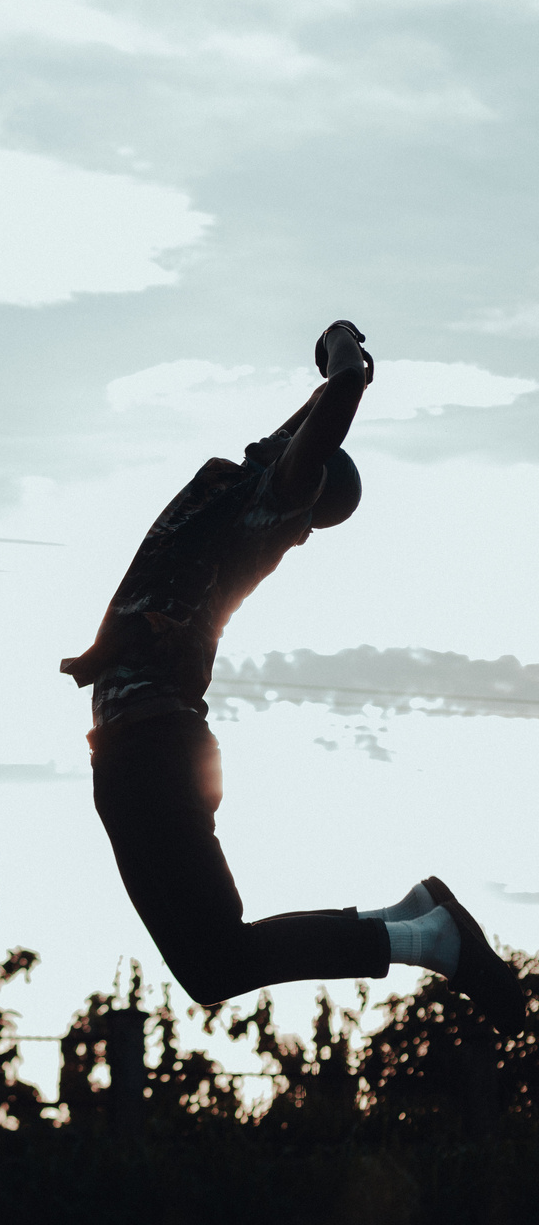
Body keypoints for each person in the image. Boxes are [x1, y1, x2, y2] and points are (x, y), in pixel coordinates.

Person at [60, 322, 524, 1033]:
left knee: (219, 958)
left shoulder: (268, 506)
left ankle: (428, 939)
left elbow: (339, 392)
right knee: (206, 968)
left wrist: (343, 347)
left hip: (155, 747)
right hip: (128, 751)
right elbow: (317, 410)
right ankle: (413, 922)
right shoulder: (250, 474)